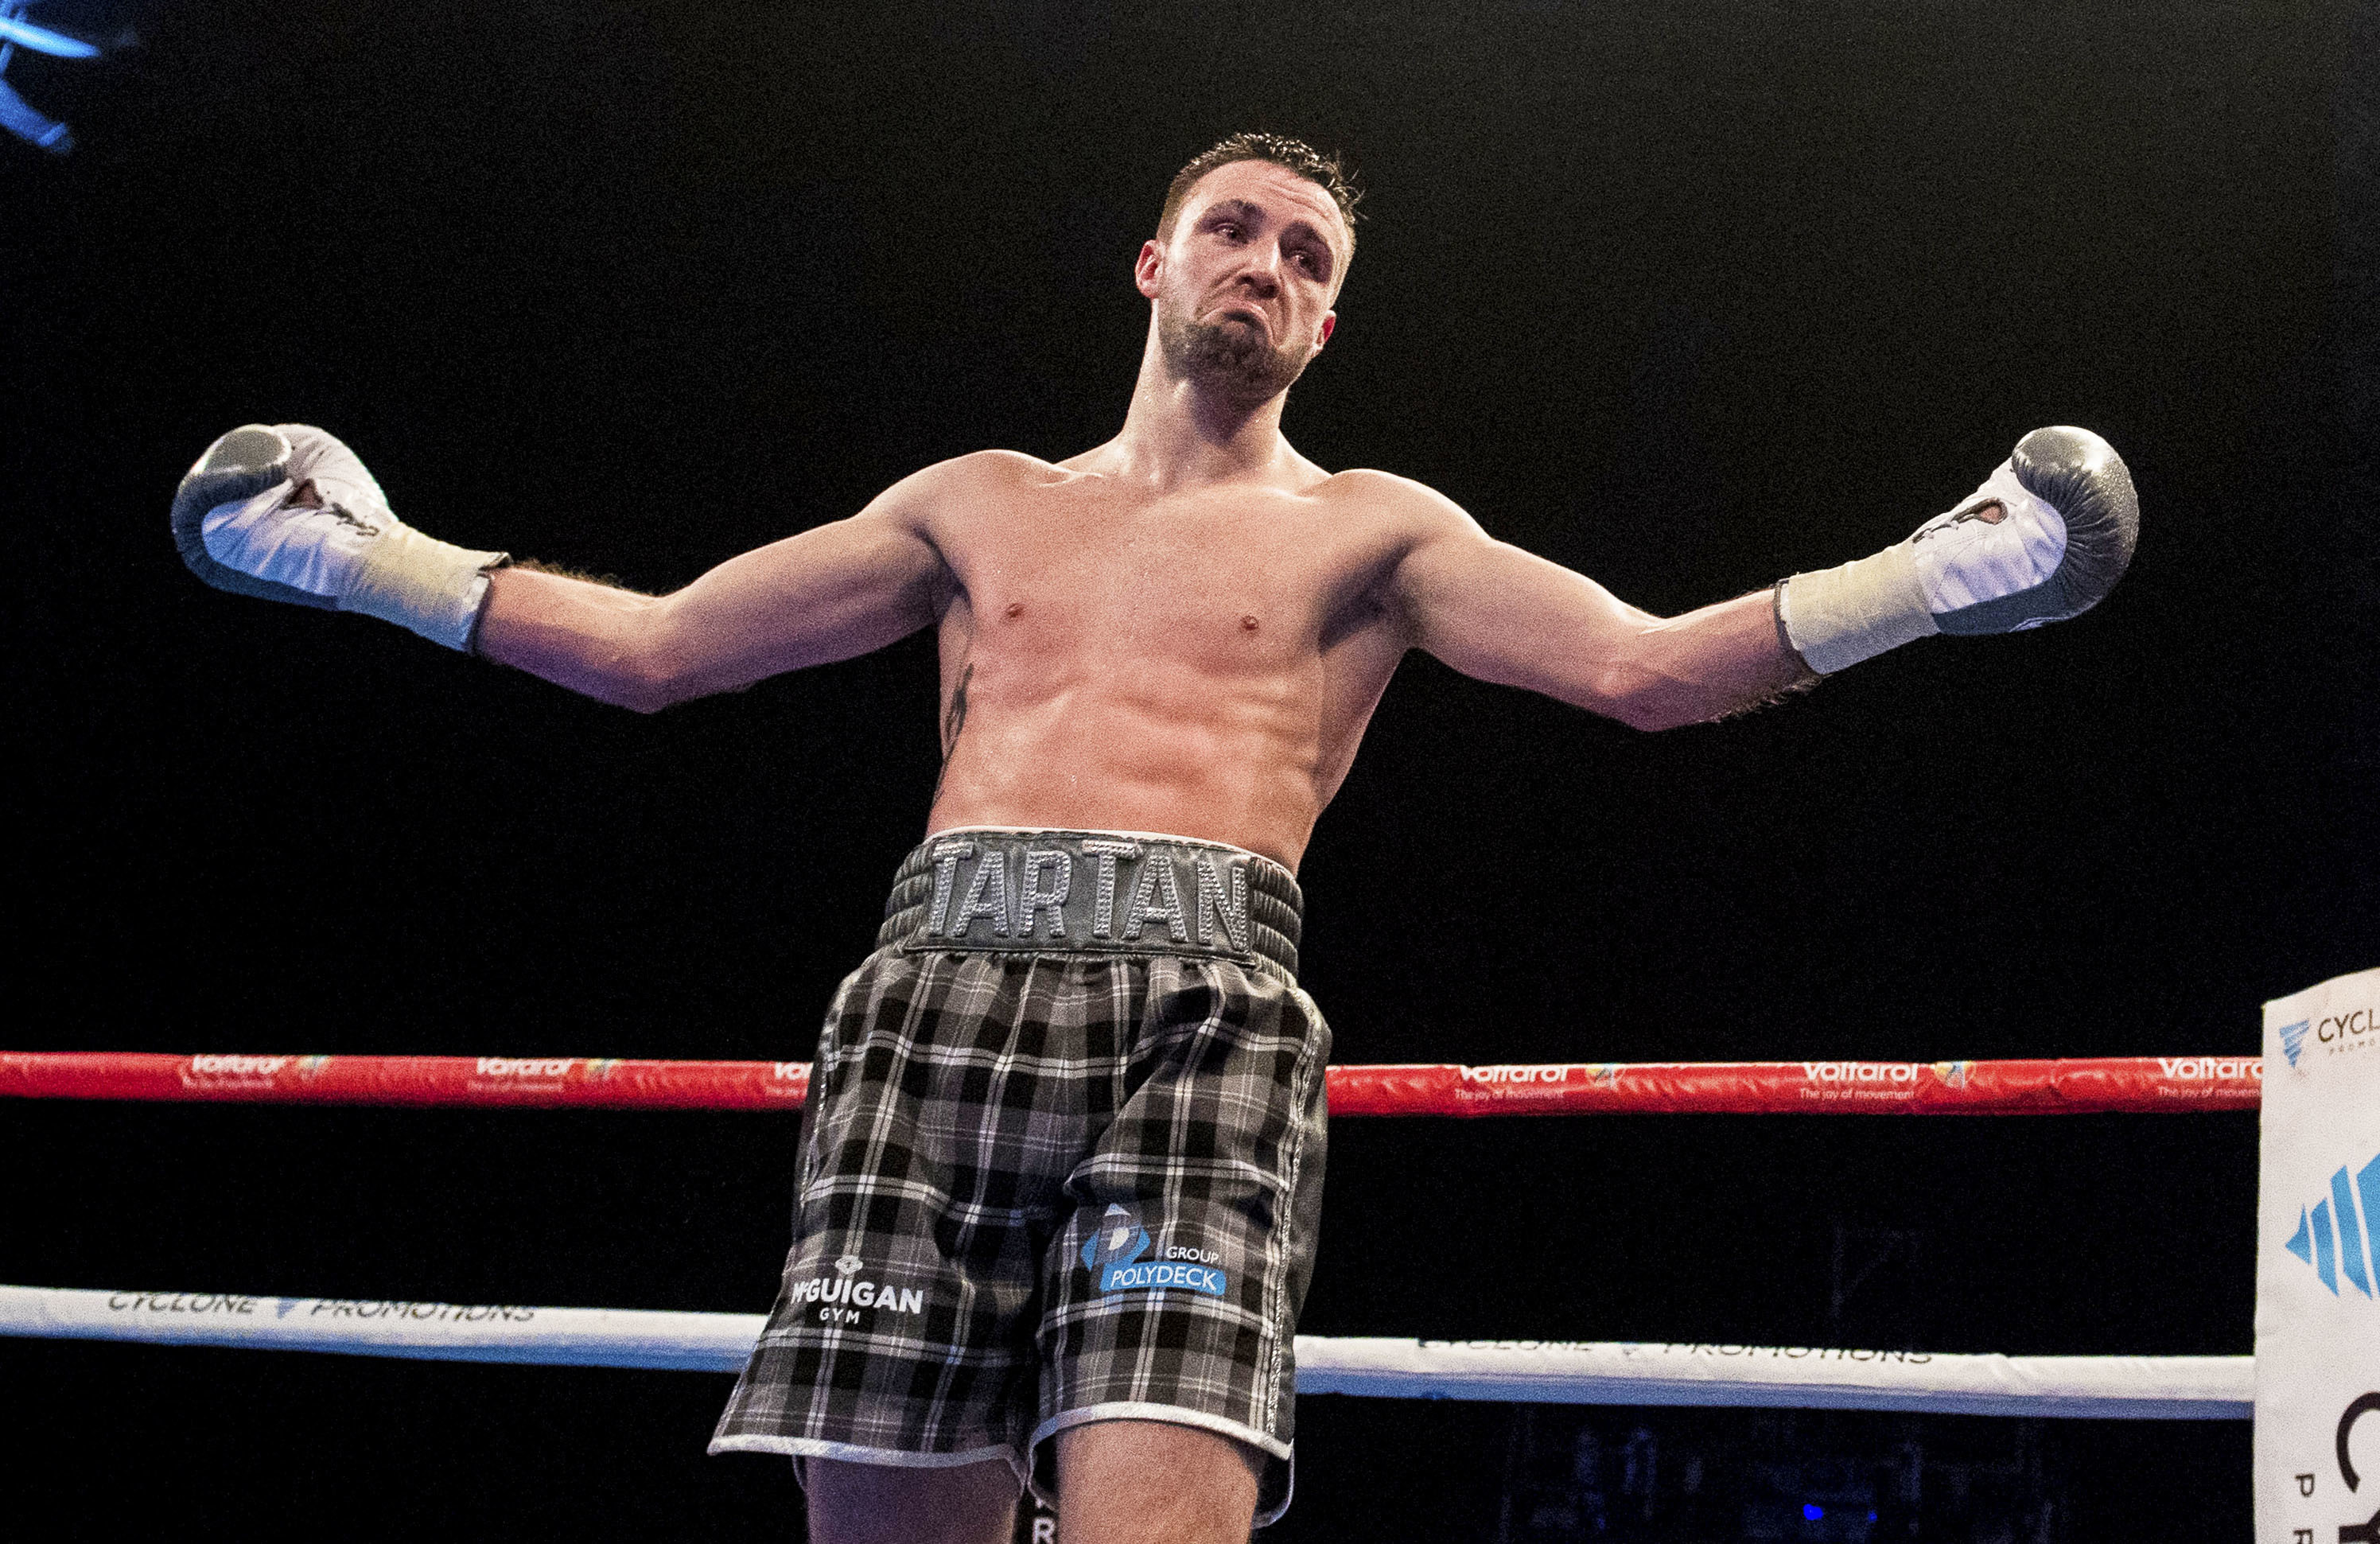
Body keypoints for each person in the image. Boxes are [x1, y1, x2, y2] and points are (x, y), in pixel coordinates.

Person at [168, 133, 2137, 1543]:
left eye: (1302, 255)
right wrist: (364, 560)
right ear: (1152, 260)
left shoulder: (1379, 529)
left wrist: (1934, 577)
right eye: (1233, 230)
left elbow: (1637, 668)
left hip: (1201, 1019)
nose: (1263, 265)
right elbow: (665, 647)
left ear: (1325, 323)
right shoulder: (976, 500)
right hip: (932, 995)